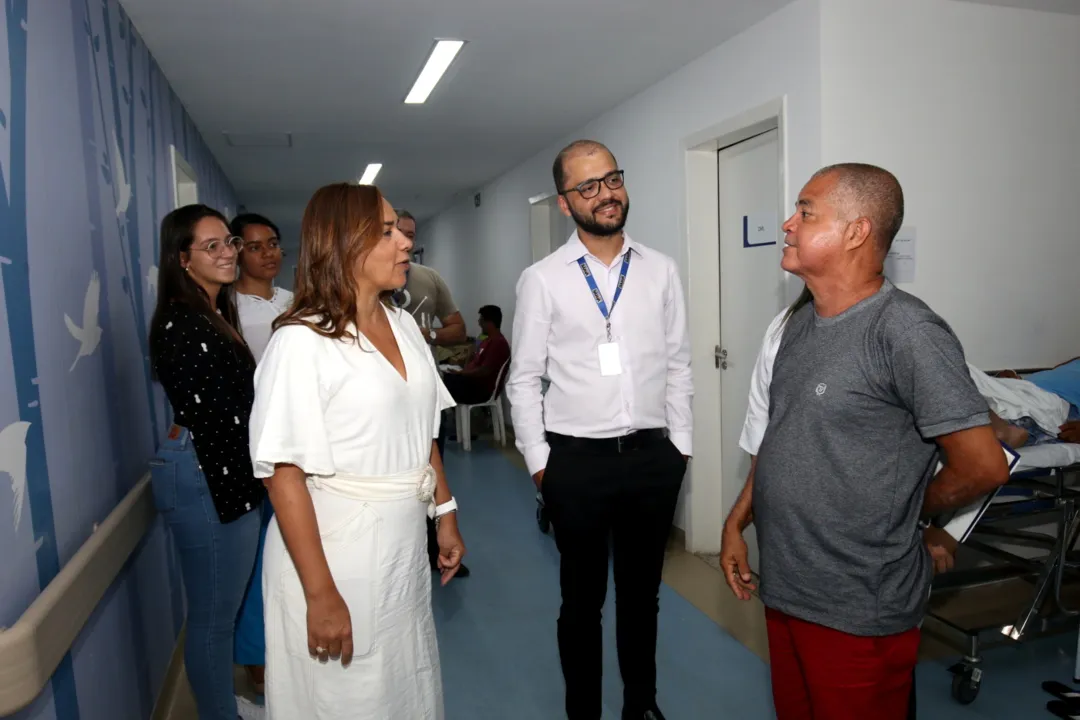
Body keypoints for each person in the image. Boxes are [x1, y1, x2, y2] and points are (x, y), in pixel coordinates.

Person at [719, 163, 1010, 720]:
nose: (788, 223)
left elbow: (983, 465)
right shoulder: (797, 328)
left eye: (805, 211)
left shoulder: (906, 333)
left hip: (857, 605)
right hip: (785, 587)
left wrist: (911, 512)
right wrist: (738, 521)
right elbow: (778, 441)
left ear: (856, 231)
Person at [248, 183, 466, 719]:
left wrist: (445, 513)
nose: (405, 245)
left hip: (398, 550)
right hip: (333, 552)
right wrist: (320, 594)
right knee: (345, 699)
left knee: (401, 684)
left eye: (401, 231)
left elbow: (422, 431)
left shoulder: (404, 327)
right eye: (387, 232)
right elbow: (283, 473)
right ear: (344, 243)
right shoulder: (301, 343)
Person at [507, 139, 692, 720]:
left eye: (611, 179)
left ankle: (640, 704)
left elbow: (680, 362)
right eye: (588, 186)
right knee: (582, 604)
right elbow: (524, 377)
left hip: (651, 457)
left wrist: (680, 447)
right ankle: (582, 712)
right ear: (565, 204)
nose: (605, 193)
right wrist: (540, 462)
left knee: (644, 599)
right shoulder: (543, 279)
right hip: (576, 464)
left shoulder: (660, 269)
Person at [147, 205, 263, 720]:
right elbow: (219, 416)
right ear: (182, 258)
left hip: (214, 465)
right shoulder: (181, 321)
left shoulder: (214, 313)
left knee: (222, 611)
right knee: (214, 620)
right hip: (204, 471)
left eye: (229, 243)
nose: (227, 253)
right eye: (211, 245)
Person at [228, 211, 293, 696]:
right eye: (256, 246)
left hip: (300, 444)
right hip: (254, 446)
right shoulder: (228, 309)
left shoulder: (296, 302)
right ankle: (255, 657)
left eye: (273, 243)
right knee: (260, 556)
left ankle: (290, 649)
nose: (268, 253)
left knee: (291, 552)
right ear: (236, 251)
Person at [391, 209, 471, 577]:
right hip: (389, 396)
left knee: (434, 465)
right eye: (394, 233)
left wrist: (430, 336)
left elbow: (458, 328)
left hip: (426, 390)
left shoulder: (429, 279)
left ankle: (436, 542)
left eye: (409, 234)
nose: (404, 242)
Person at [441, 305, 511, 404]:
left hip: (479, 390)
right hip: (471, 383)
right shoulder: (486, 340)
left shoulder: (498, 343)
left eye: (481, 320)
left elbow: (484, 371)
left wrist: (462, 373)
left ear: (489, 323)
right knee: (441, 377)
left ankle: (444, 417)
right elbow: (475, 362)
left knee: (439, 382)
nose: (479, 323)